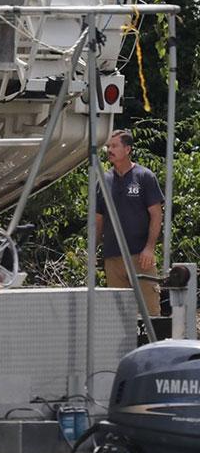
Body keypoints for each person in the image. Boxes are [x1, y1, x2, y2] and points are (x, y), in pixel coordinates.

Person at [95, 128, 164, 316]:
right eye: (108, 146)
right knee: (118, 316)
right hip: (113, 258)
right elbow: (98, 219)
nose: (109, 149)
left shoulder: (144, 176)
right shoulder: (103, 180)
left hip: (141, 258)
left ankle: (153, 345)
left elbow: (157, 215)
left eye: (114, 145)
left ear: (127, 149)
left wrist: (150, 248)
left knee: (151, 312)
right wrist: (93, 249)